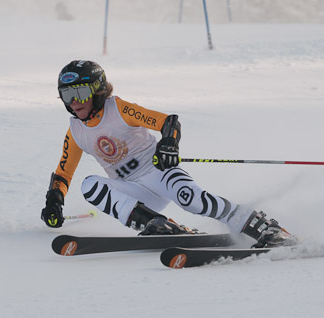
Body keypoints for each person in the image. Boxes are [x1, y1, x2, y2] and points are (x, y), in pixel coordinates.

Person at [40, 60, 298, 248]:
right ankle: (154, 224)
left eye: (80, 92)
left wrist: (169, 145)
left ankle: (265, 227)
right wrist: (54, 200)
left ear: (97, 90)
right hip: (134, 192)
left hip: (159, 172)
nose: (74, 101)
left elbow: (168, 122)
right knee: (90, 186)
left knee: (193, 200)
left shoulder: (118, 108)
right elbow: (64, 172)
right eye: (67, 95)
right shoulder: (76, 131)